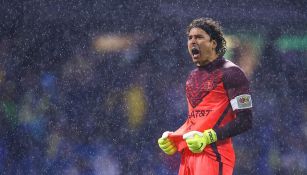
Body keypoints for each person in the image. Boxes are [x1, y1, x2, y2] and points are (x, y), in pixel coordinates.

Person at [157, 17, 253, 175]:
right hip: (189, 156)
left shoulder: (232, 74)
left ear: (214, 43)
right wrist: (175, 138)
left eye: (199, 37)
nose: (193, 42)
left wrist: (208, 137)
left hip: (214, 155)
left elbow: (245, 120)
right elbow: (195, 121)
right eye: (190, 38)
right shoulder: (192, 77)